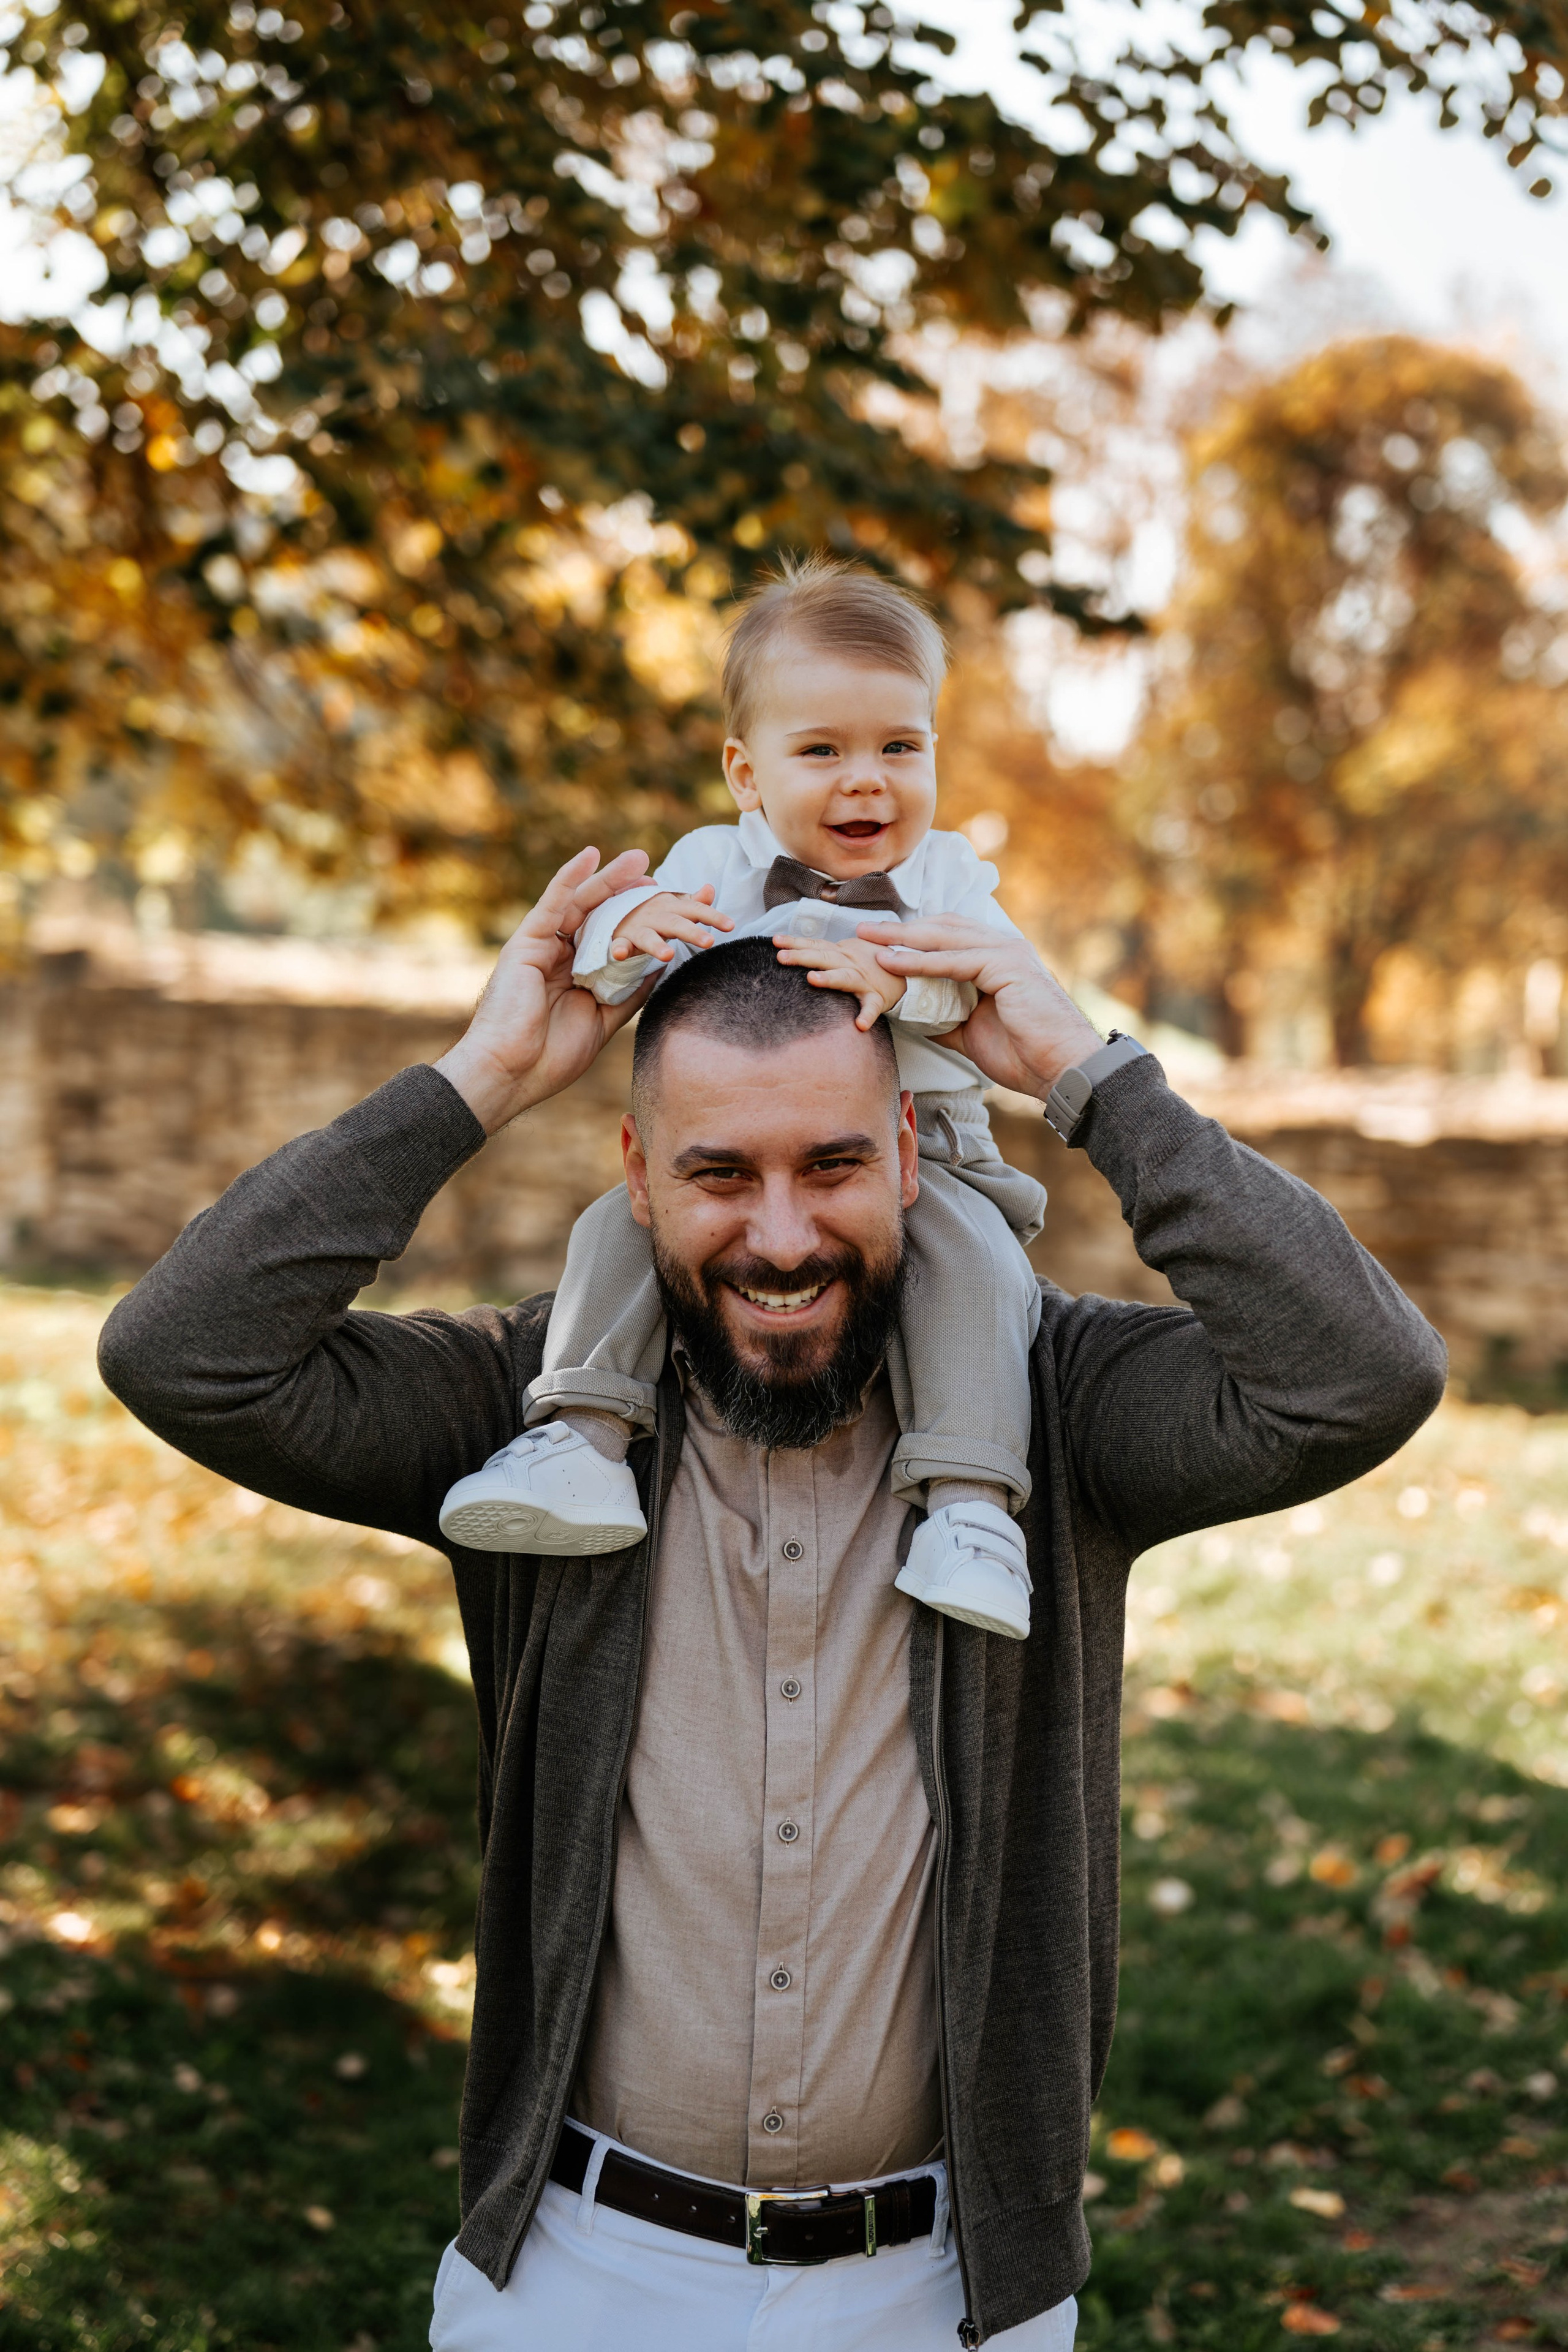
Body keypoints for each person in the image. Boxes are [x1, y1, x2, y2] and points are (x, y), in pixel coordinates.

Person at [97, 856, 1446, 2349]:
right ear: (635, 1174)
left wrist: (1077, 1071)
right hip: (574, 2278)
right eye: (719, 1175)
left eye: (831, 1165)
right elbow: (188, 1353)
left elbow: (1357, 1376)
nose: (784, 1238)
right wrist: (481, 1077)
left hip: (942, 2295)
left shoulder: (1053, 1417)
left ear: (911, 1159)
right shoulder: (535, 1426)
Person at [437, 557, 1052, 1641]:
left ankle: (969, 1507)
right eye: (822, 751)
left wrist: (916, 979)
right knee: (619, 1235)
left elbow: (993, 973)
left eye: (900, 747)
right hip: (726, 1144)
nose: (868, 781)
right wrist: (615, 939)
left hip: (930, 1149)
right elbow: (623, 948)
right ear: (746, 772)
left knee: (976, 1272)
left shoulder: (952, 877)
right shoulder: (713, 863)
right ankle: (582, 1437)